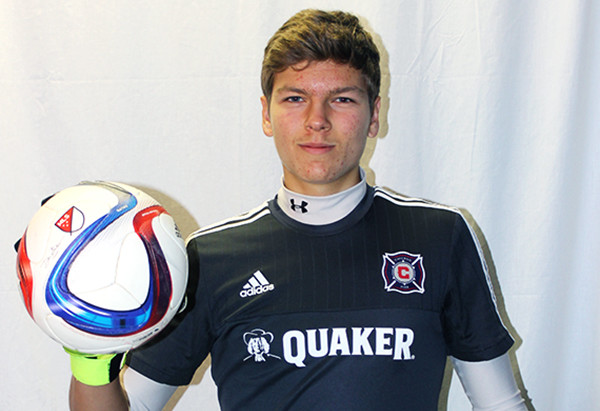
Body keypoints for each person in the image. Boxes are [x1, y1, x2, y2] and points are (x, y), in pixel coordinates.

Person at [68, 9, 527, 410]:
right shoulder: (209, 258)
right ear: (266, 114)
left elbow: (501, 404)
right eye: (294, 98)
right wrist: (89, 353)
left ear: (374, 116)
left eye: (342, 98)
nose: (317, 120)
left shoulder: (439, 236)